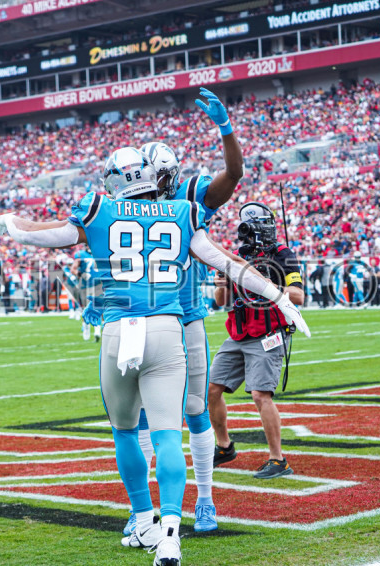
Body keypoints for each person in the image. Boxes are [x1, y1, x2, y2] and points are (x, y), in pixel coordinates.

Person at [0, 147, 309, 566]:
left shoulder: (99, 208)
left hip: (120, 331)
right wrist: (279, 297)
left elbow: (41, 235)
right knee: (167, 435)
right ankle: (171, 536)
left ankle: (144, 521)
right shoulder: (180, 212)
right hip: (167, 329)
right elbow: (229, 263)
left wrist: (11, 223)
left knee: (125, 431)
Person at [122, 88, 245, 534]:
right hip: (136, 317)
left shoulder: (189, 195)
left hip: (186, 314)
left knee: (194, 409)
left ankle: (205, 500)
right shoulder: (124, 201)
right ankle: (142, 511)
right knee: (136, 417)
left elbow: (233, 175)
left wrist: (225, 128)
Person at [208, 202, 305, 480]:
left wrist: (266, 284)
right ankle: (224, 447)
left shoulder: (282, 254)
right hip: (239, 331)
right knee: (211, 390)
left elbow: (298, 296)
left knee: (260, 394)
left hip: (268, 332)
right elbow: (221, 301)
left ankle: (278, 460)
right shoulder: (237, 256)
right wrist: (221, 284)